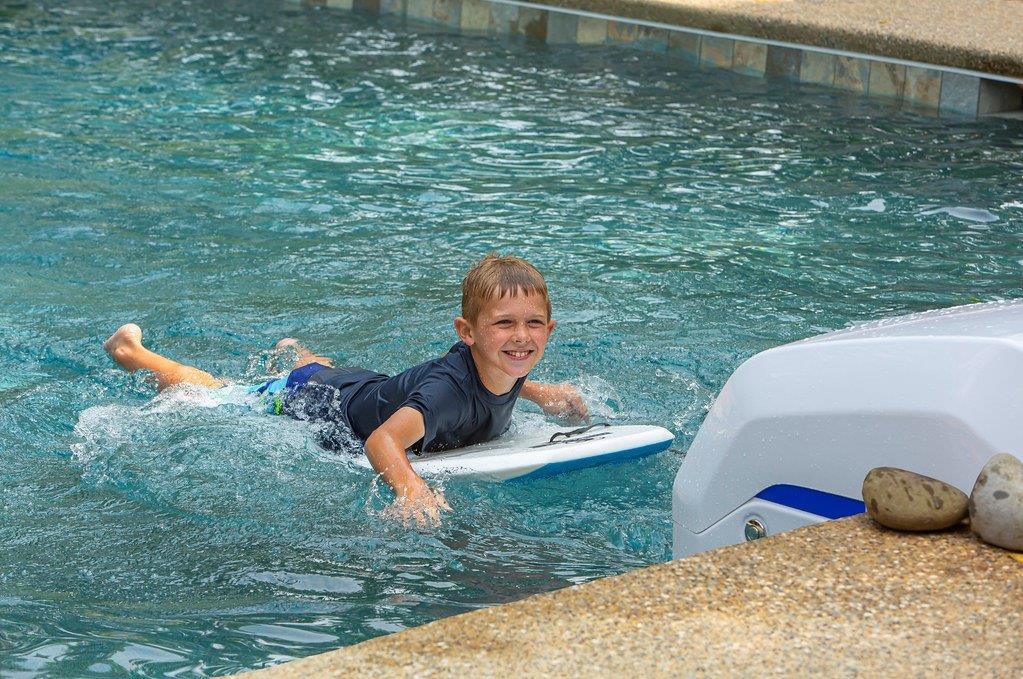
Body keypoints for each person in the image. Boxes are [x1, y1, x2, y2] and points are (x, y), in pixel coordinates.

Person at [103, 253, 587, 526]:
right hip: (318, 403)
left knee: (324, 372)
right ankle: (132, 352)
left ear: (549, 329)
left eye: (534, 324)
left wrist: (539, 391)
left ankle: (300, 355)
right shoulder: (445, 395)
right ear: (468, 332)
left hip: (364, 387)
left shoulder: (504, 360)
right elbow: (382, 440)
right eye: (504, 323)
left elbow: (494, 374)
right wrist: (410, 489)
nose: (521, 337)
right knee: (215, 395)